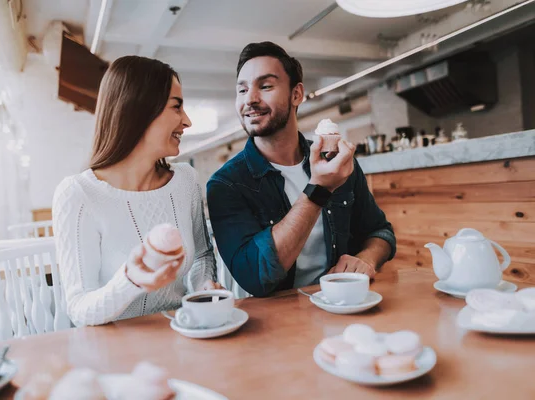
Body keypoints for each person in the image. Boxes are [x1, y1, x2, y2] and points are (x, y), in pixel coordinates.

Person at [207, 42, 396, 297]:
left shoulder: (337, 161)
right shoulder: (226, 184)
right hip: (275, 324)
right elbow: (255, 277)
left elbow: (380, 232)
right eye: (242, 90)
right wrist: (319, 189)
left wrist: (367, 259)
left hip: (341, 304)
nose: (250, 99)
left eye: (265, 86)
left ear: (296, 94)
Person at [52, 56, 219, 327]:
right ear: (139, 110)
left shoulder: (185, 180)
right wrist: (130, 280)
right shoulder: (77, 194)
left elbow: (201, 254)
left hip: (183, 333)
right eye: (176, 107)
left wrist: (204, 289)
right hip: (117, 350)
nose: (187, 121)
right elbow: (79, 309)